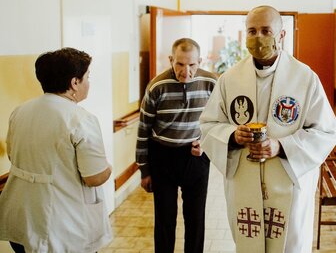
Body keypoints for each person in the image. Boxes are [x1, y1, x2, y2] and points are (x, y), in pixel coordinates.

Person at [199, 6, 336, 253]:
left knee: (288, 245)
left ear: (281, 35)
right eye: (252, 31)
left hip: (287, 183)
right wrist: (232, 135)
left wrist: (282, 145)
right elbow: (209, 125)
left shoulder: (305, 78)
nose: (258, 37)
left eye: (266, 30)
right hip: (245, 183)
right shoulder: (229, 79)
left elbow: (326, 131)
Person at [0, 47, 112, 253]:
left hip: (22, 218)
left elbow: (13, 155)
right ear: (74, 83)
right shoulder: (81, 119)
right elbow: (94, 177)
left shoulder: (21, 111)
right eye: (87, 76)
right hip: (64, 227)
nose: (89, 82)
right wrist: (108, 168)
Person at [136, 38, 217, 253]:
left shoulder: (212, 83)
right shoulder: (157, 86)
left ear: (200, 61)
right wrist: (144, 170)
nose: (186, 71)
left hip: (195, 155)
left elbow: (220, 123)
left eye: (192, 65)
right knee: (164, 219)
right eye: (180, 64)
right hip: (162, 157)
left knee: (196, 218)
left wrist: (207, 144)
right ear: (171, 60)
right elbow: (143, 130)